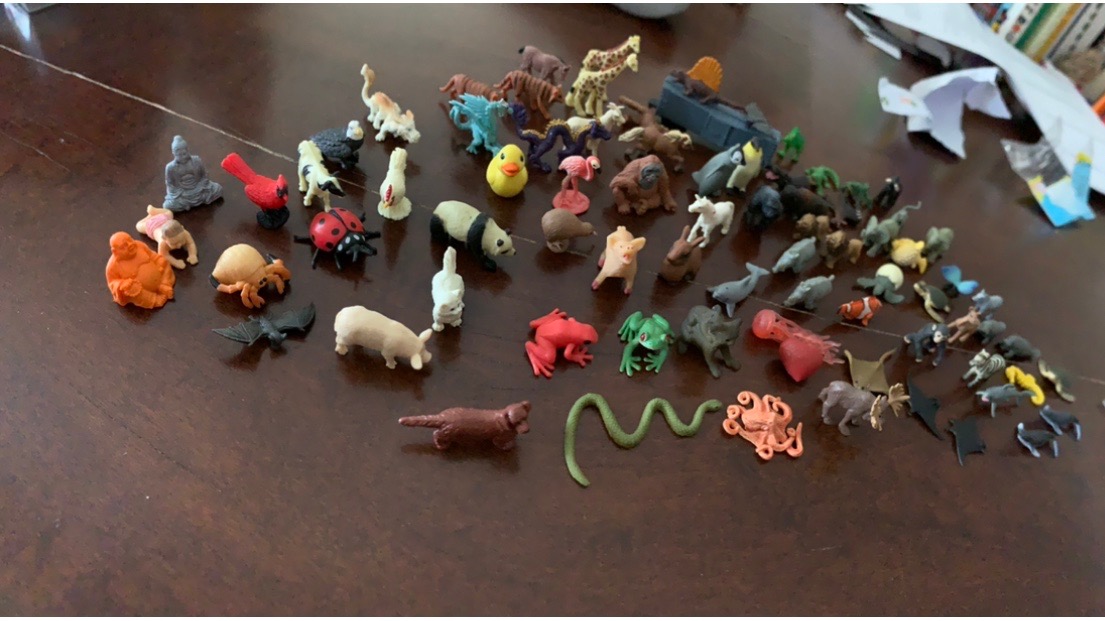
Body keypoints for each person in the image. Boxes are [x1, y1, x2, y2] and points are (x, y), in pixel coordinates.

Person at [163, 135, 222, 211]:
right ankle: (186, 204)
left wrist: (200, 186)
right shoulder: (170, 167)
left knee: (218, 189)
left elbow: (204, 175)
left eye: (184, 154)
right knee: (167, 205)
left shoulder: (196, 160)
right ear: (174, 153)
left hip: (199, 189)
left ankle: (189, 204)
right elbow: (170, 184)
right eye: (179, 155)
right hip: (182, 194)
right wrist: (181, 193)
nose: (183, 157)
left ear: (187, 150)